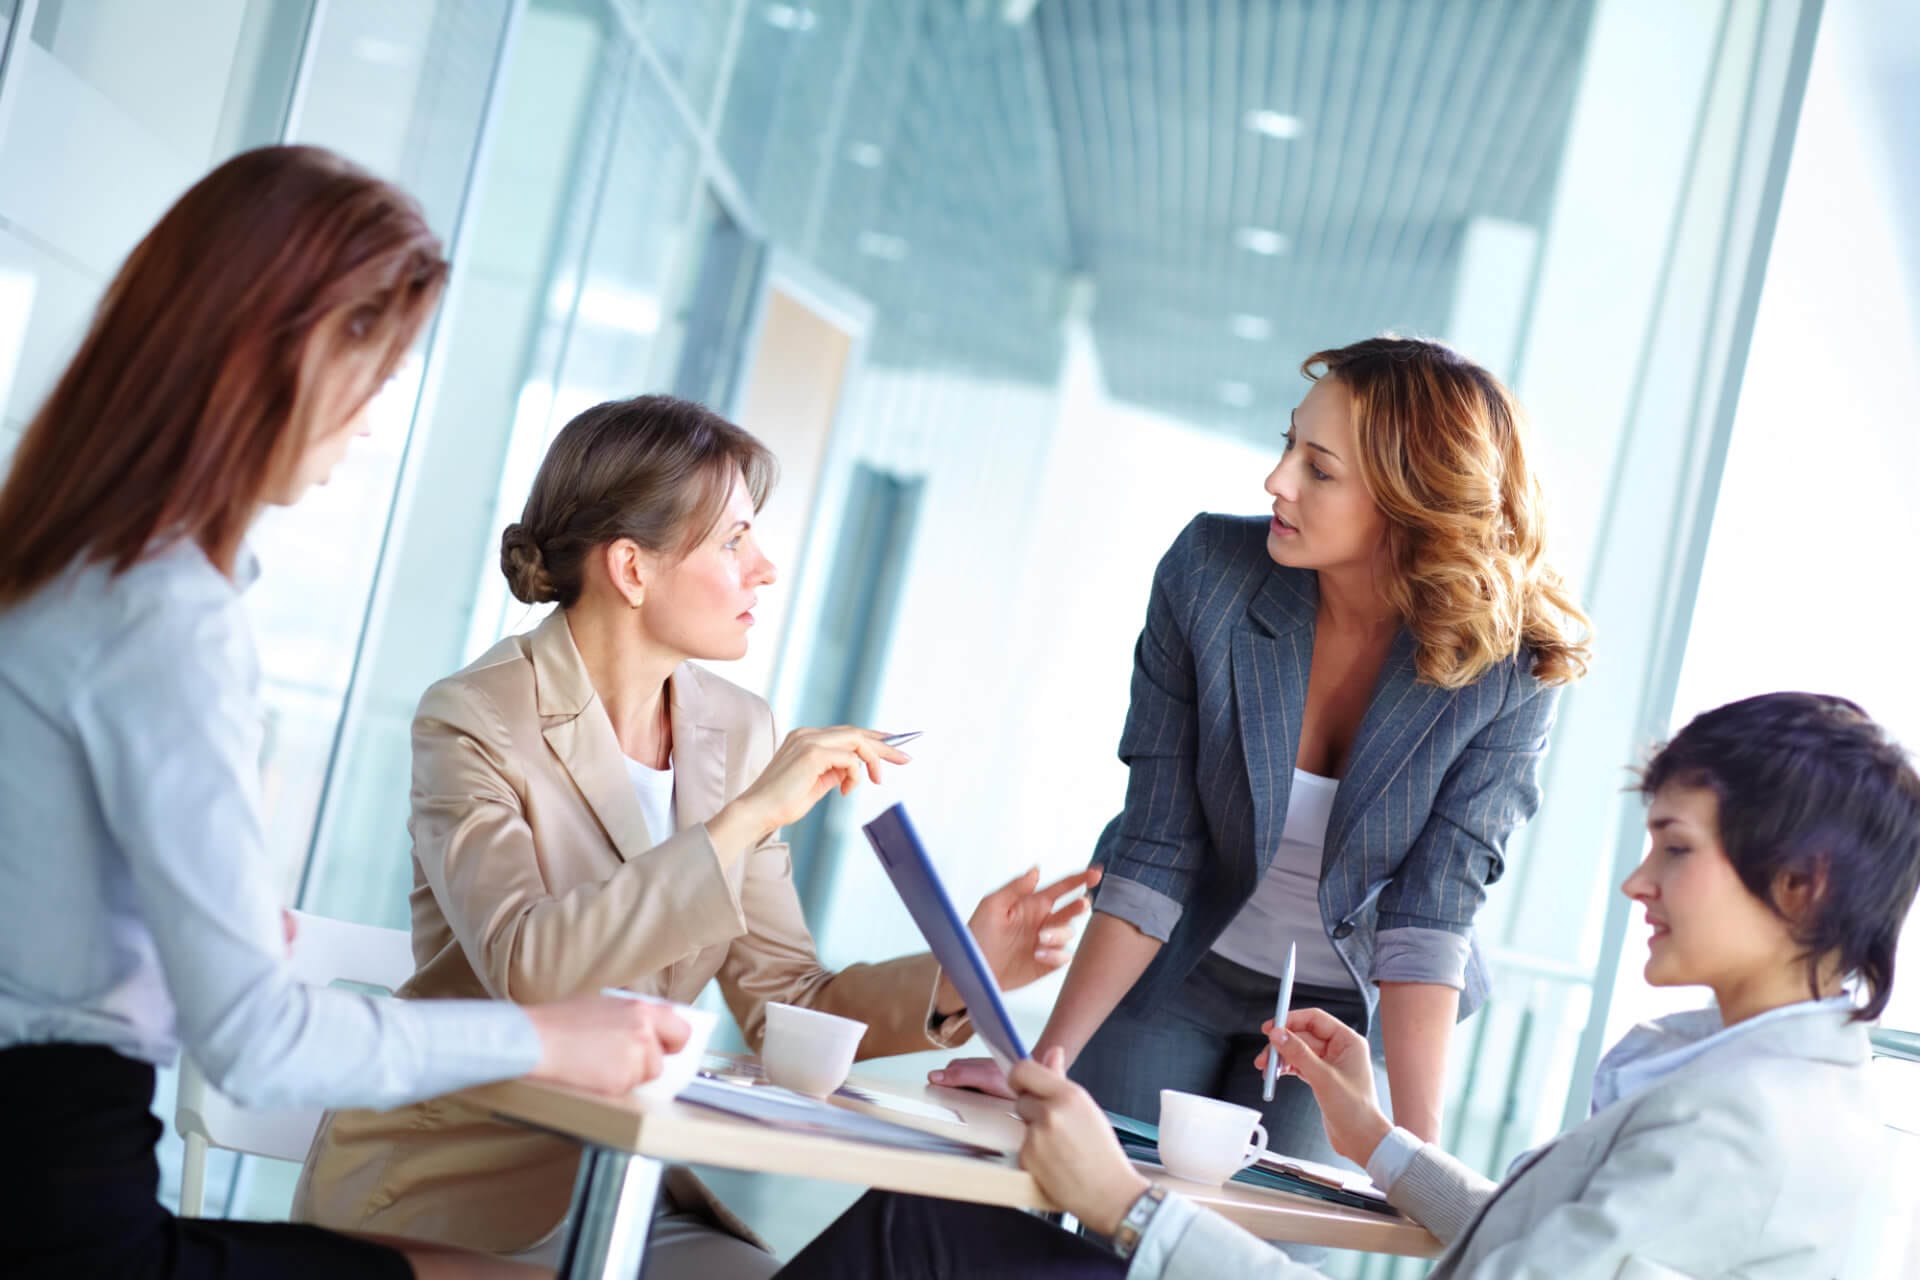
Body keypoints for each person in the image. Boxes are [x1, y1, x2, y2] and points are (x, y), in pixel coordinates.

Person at [0, 146, 688, 1280]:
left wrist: (178, 949)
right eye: (372, 371)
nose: (369, 422)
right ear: (285, 353)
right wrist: (549, 1037)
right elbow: (258, 1044)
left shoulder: (54, 566)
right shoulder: (166, 617)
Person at [295, 393, 1100, 1274]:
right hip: (453, 1184)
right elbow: (530, 966)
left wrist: (954, 976)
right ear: (632, 570)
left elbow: (785, 1001)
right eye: (733, 541)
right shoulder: (476, 718)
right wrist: (747, 816)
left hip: (620, 1185)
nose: (766, 569)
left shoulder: (736, 727)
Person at [784, 691, 1920, 1278]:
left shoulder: (1744, 1128)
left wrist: (1129, 1202)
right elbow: (1543, 1253)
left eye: (1675, 846)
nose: (1637, 878)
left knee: (927, 1234)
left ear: (1801, 885)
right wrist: (1375, 1137)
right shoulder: (1775, 1093)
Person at [937, 337, 1590, 1177]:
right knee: (1099, 1208)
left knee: (1264, 1254)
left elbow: (1431, 917)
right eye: (1290, 446)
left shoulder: (1509, 666)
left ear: (1412, 502)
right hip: (1181, 958)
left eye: (1319, 468)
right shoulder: (1212, 573)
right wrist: (1043, 1069)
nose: (1276, 480)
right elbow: (1158, 841)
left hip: (1343, 1009)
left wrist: (1418, 1160)